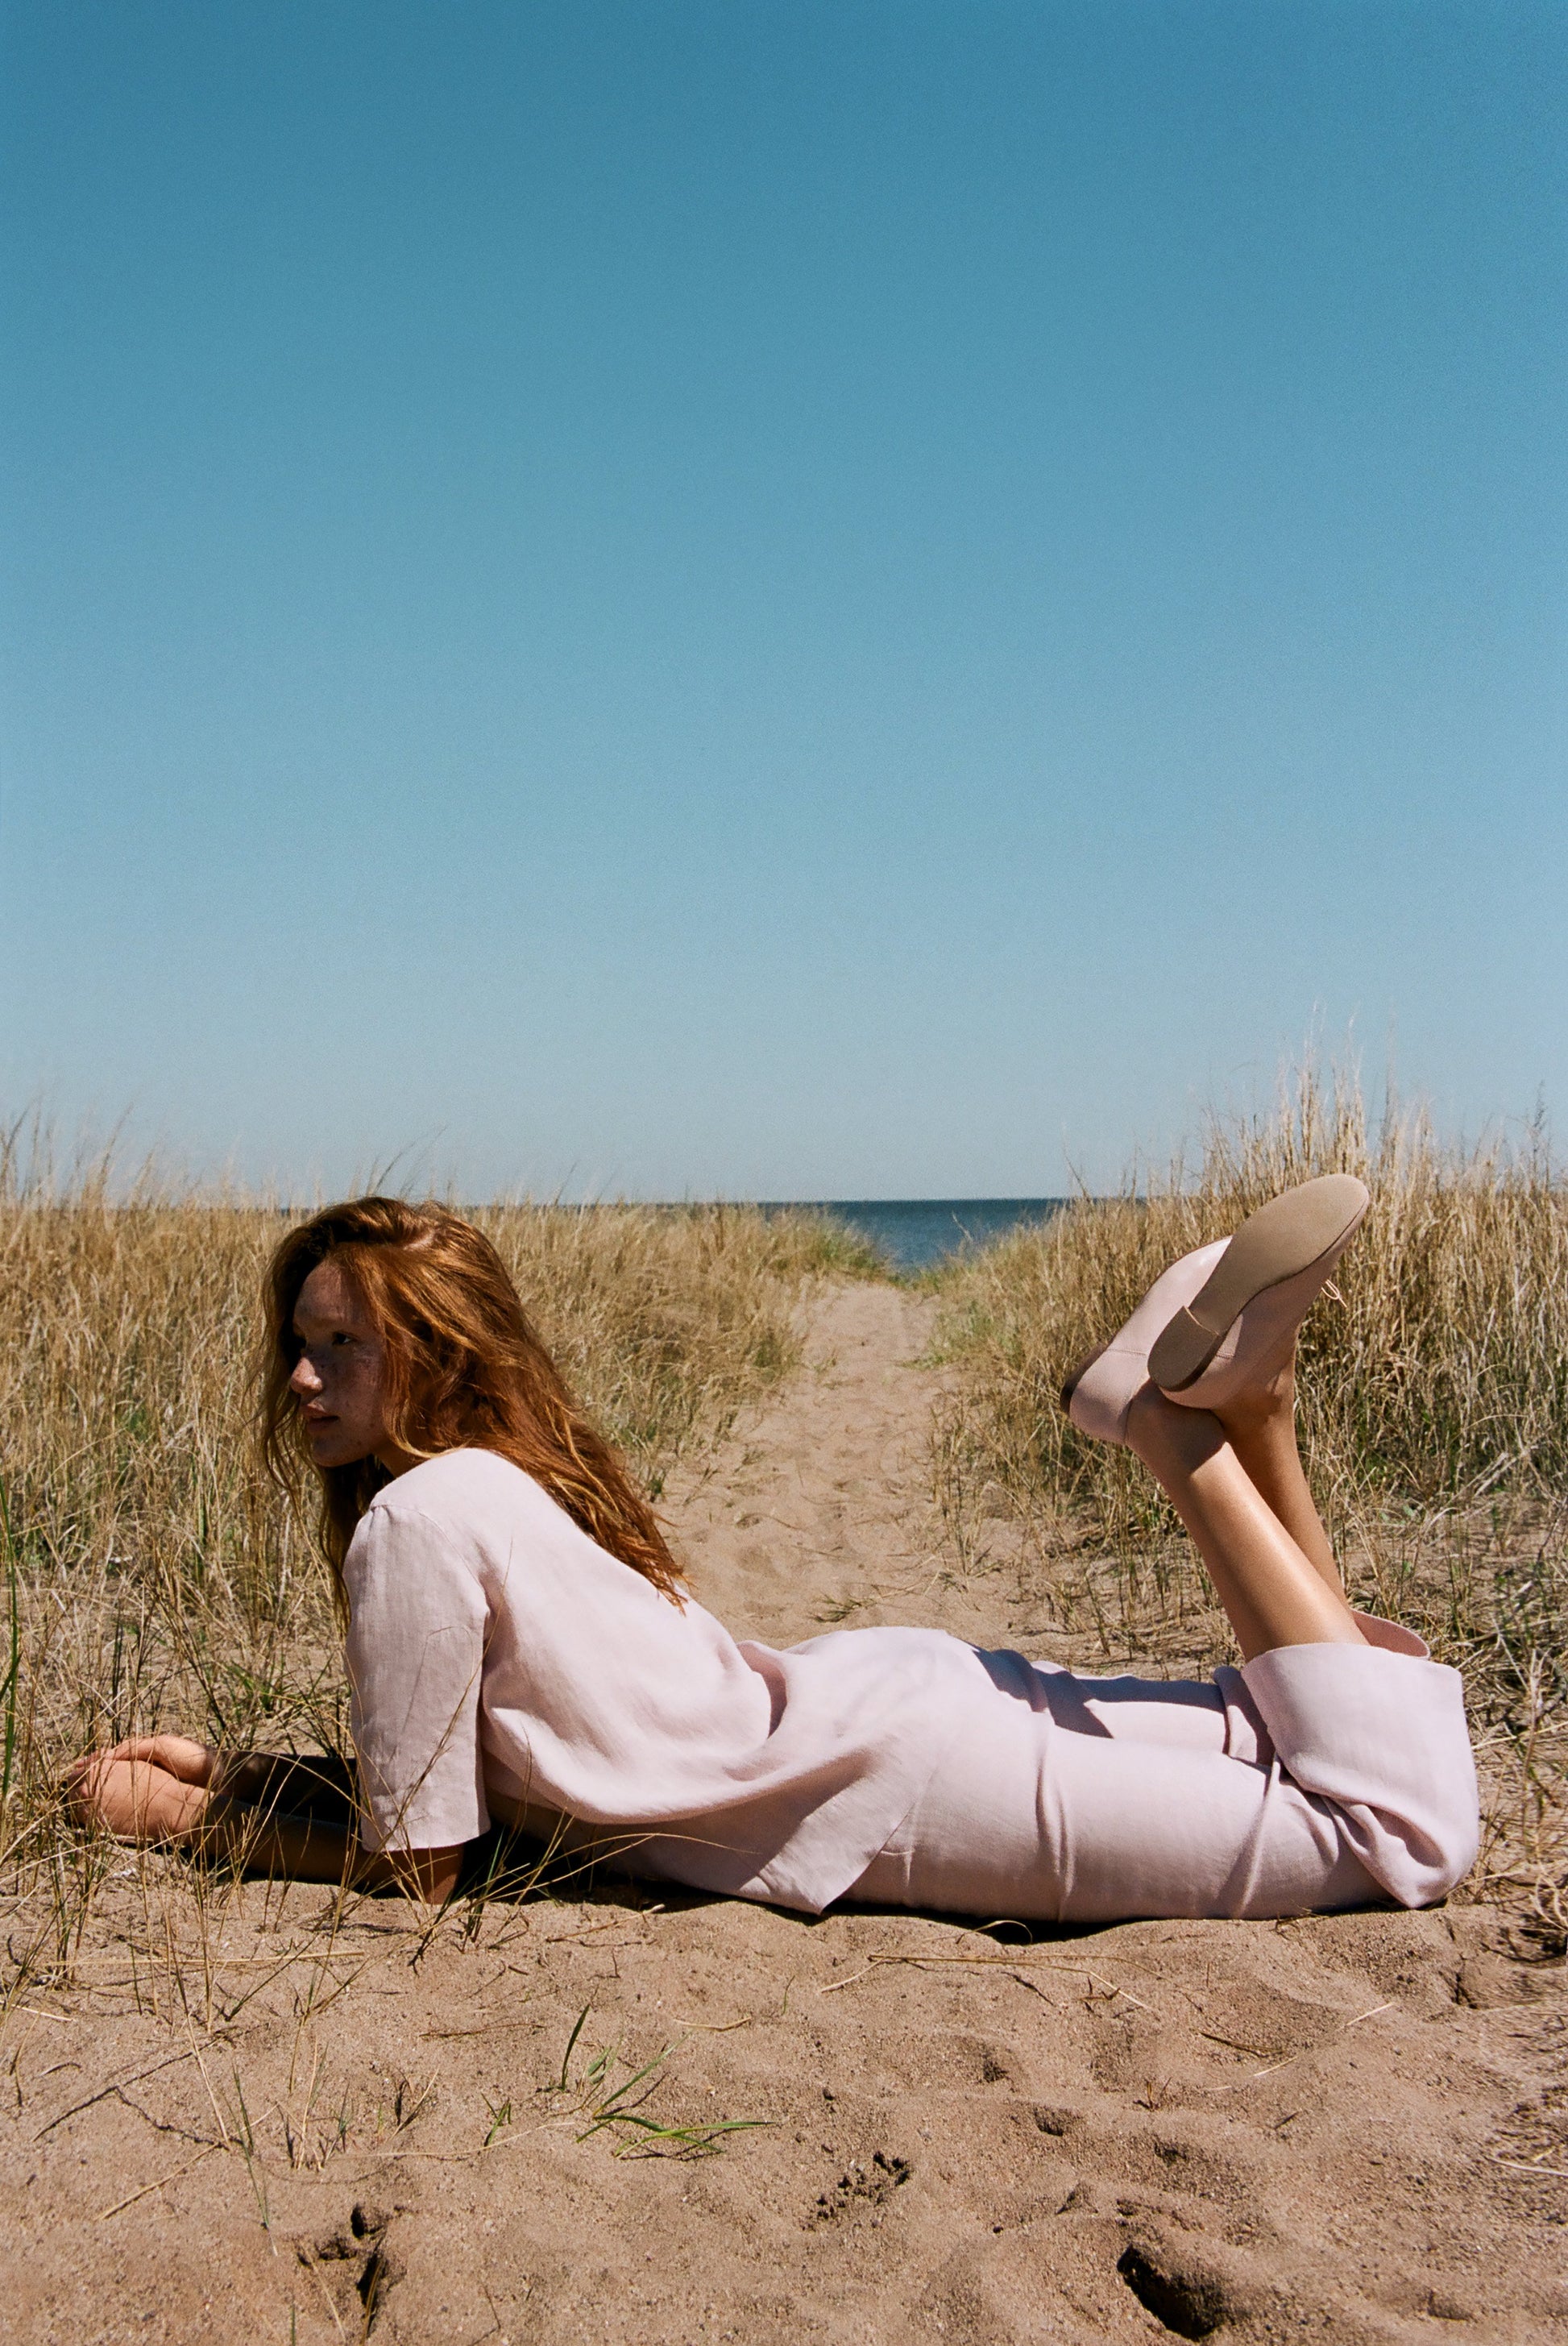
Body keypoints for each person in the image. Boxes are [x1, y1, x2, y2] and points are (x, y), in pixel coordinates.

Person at [68, 1181, 1479, 1923]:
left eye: (341, 1348)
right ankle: (1259, 1411)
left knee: (1392, 1833)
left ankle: (1177, 1437)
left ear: (430, 1352)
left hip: (904, 1788)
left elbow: (421, 1870)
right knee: (1292, 1727)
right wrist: (253, 1768)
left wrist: (200, 1827)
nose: (305, 1381)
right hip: (886, 1712)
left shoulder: (413, 1521)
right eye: (299, 1348)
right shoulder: (507, 1480)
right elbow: (482, 1785)